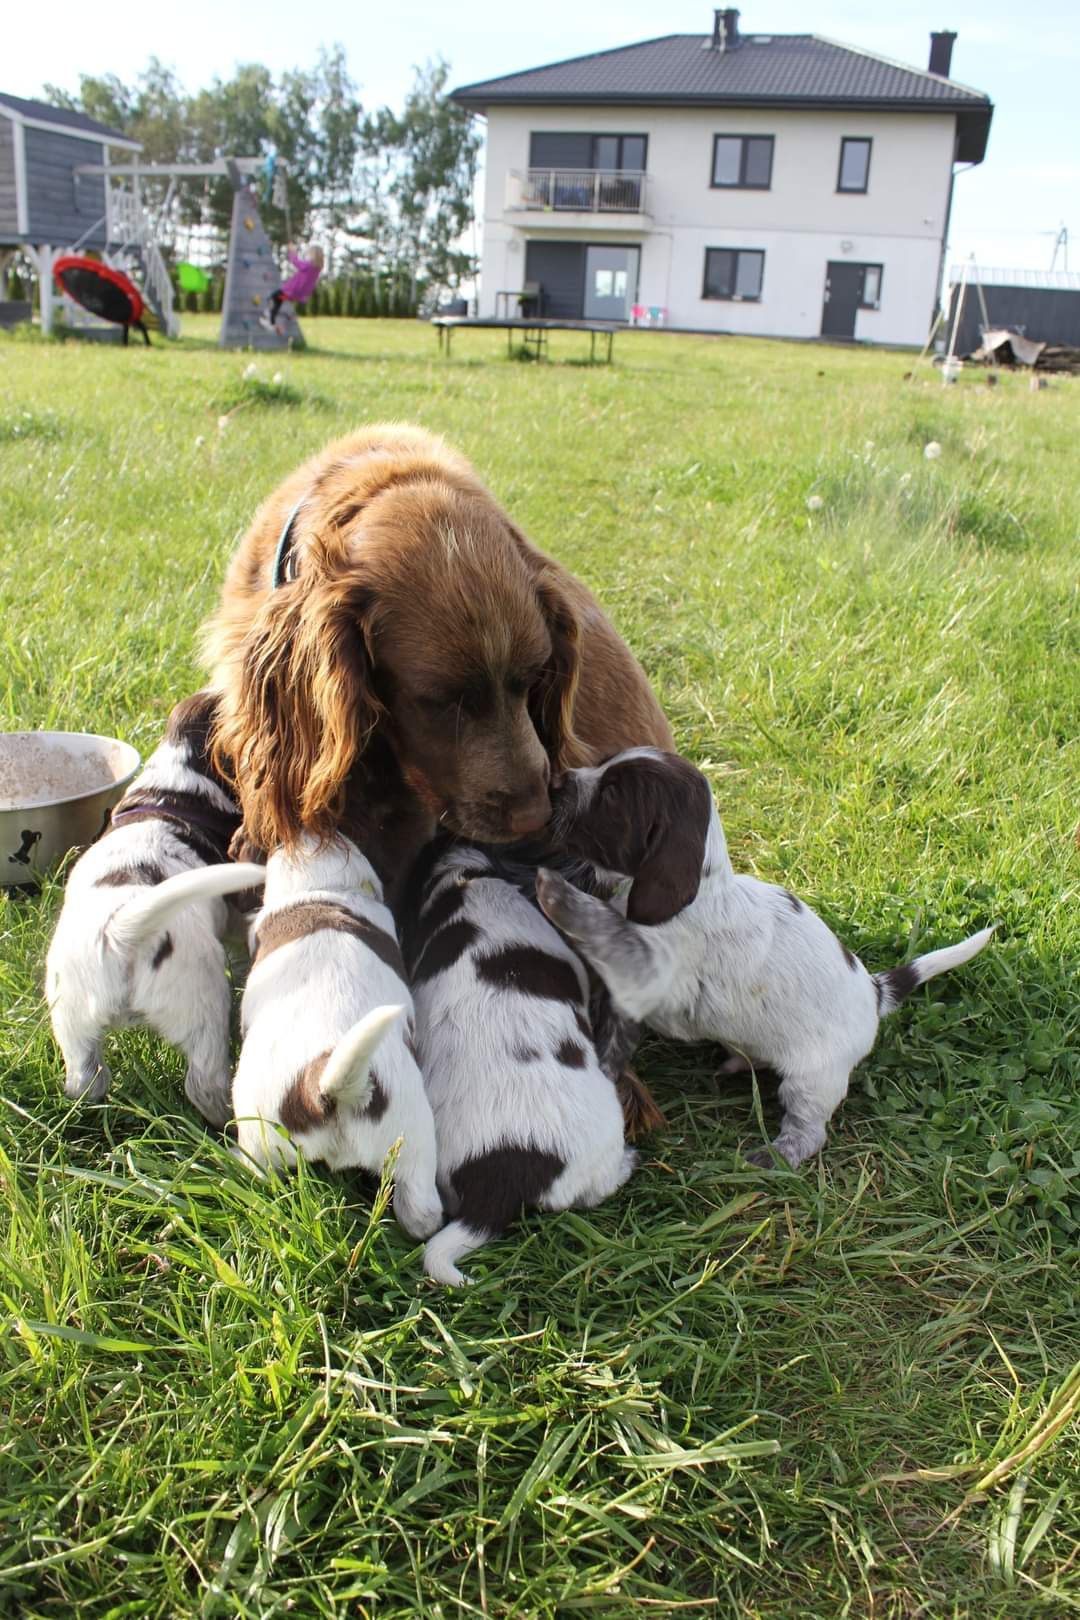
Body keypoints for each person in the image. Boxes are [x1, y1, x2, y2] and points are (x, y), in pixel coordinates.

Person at [260, 244, 324, 333]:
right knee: (278, 300)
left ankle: (270, 319)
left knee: (274, 297)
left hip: (291, 291)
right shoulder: (317, 269)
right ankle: (272, 319)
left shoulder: (308, 265)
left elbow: (295, 261)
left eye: (309, 253)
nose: (308, 255)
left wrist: (292, 251)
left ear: (313, 255)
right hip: (296, 294)